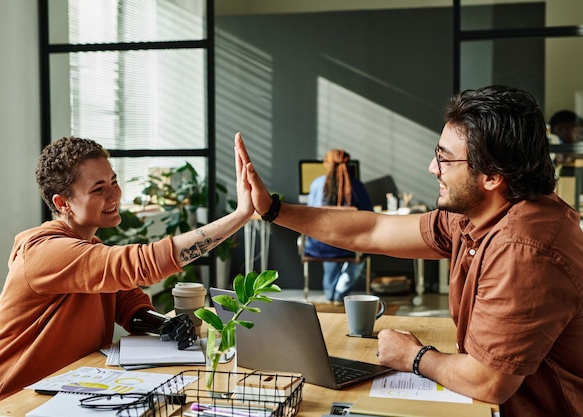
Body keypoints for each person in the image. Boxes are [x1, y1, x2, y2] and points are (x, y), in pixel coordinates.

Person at [235, 85, 583, 416]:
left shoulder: (524, 248)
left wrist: (415, 356)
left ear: (492, 176)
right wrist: (273, 210)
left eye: (445, 160)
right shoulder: (481, 215)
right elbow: (373, 229)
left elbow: (487, 380)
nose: (433, 168)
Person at [0, 135, 253, 413]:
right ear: (62, 203)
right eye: (98, 188)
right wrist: (239, 215)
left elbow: (127, 303)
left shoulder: (90, 247)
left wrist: (162, 325)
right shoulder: (45, 252)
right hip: (11, 400)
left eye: (114, 181)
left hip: (68, 386)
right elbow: (143, 263)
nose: (114, 194)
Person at [305, 149, 372, 303]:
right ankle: (340, 295)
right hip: (349, 245)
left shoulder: (316, 184)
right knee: (360, 255)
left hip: (321, 245)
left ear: (327, 164)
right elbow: (369, 215)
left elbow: (309, 215)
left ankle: (330, 296)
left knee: (331, 254)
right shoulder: (357, 186)